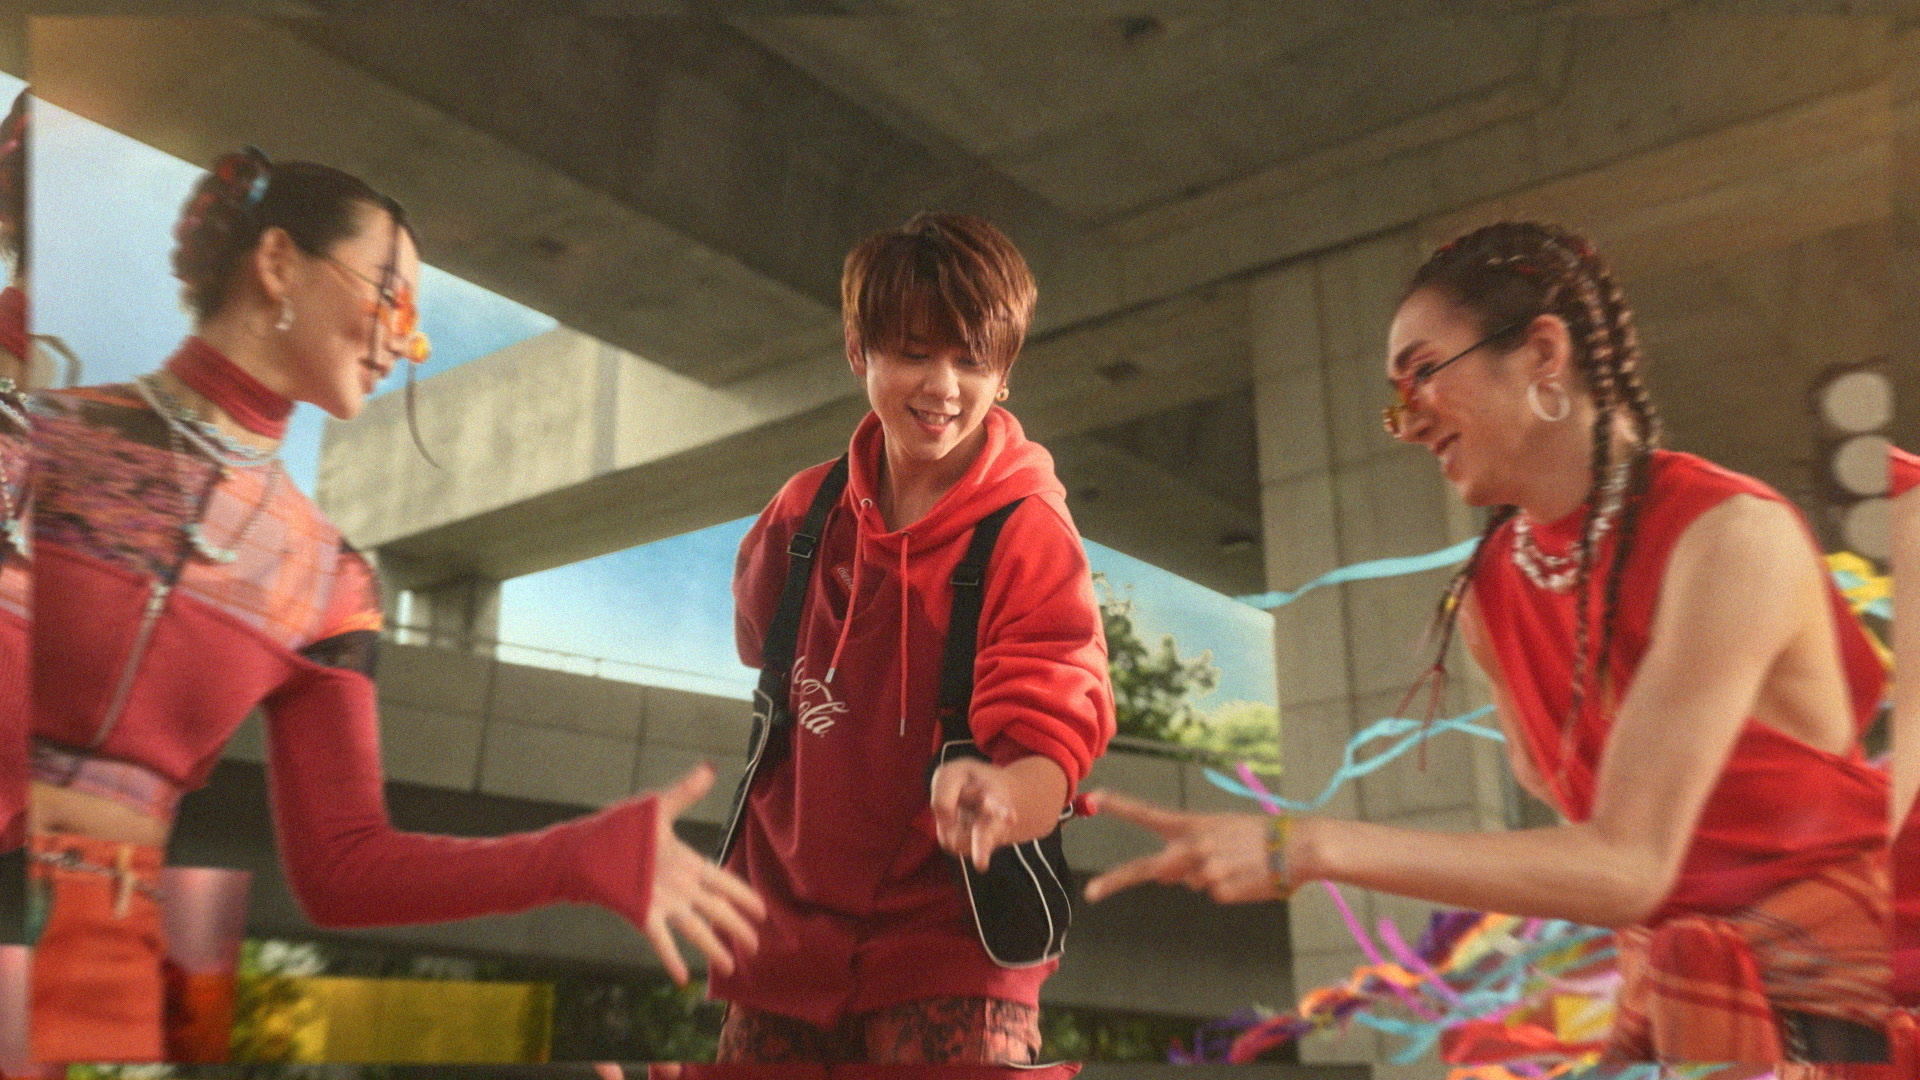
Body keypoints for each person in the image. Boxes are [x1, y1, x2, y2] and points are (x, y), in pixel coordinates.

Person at [1086, 222, 1892, 1063]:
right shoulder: (1492, 598)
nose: (1405, 422)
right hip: (1693, 1013)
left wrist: (1310, 846)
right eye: (1395, 398)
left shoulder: (1731, 537)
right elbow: (1594, 865)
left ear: (1543, 354)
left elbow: (1630, 865)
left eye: (1424, 372)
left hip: (1858, 1011)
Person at [24, 149, 762, 1062]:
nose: (409, 342)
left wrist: (582, 855)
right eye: (390, 296)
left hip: (108, 960)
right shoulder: (41, 437)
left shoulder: (330, 579)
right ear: (278, 262)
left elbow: (344, 870)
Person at [714, 211, 1114, 1066]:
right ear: (858, 350)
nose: (942, 385)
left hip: (949, 949)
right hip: (782, 939)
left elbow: (1055, 741)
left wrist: (1002, 796)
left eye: (972, 360)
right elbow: (759, 639)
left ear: (1004, 373)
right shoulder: (801, 515)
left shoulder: (1029, 533)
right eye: (913, 351)